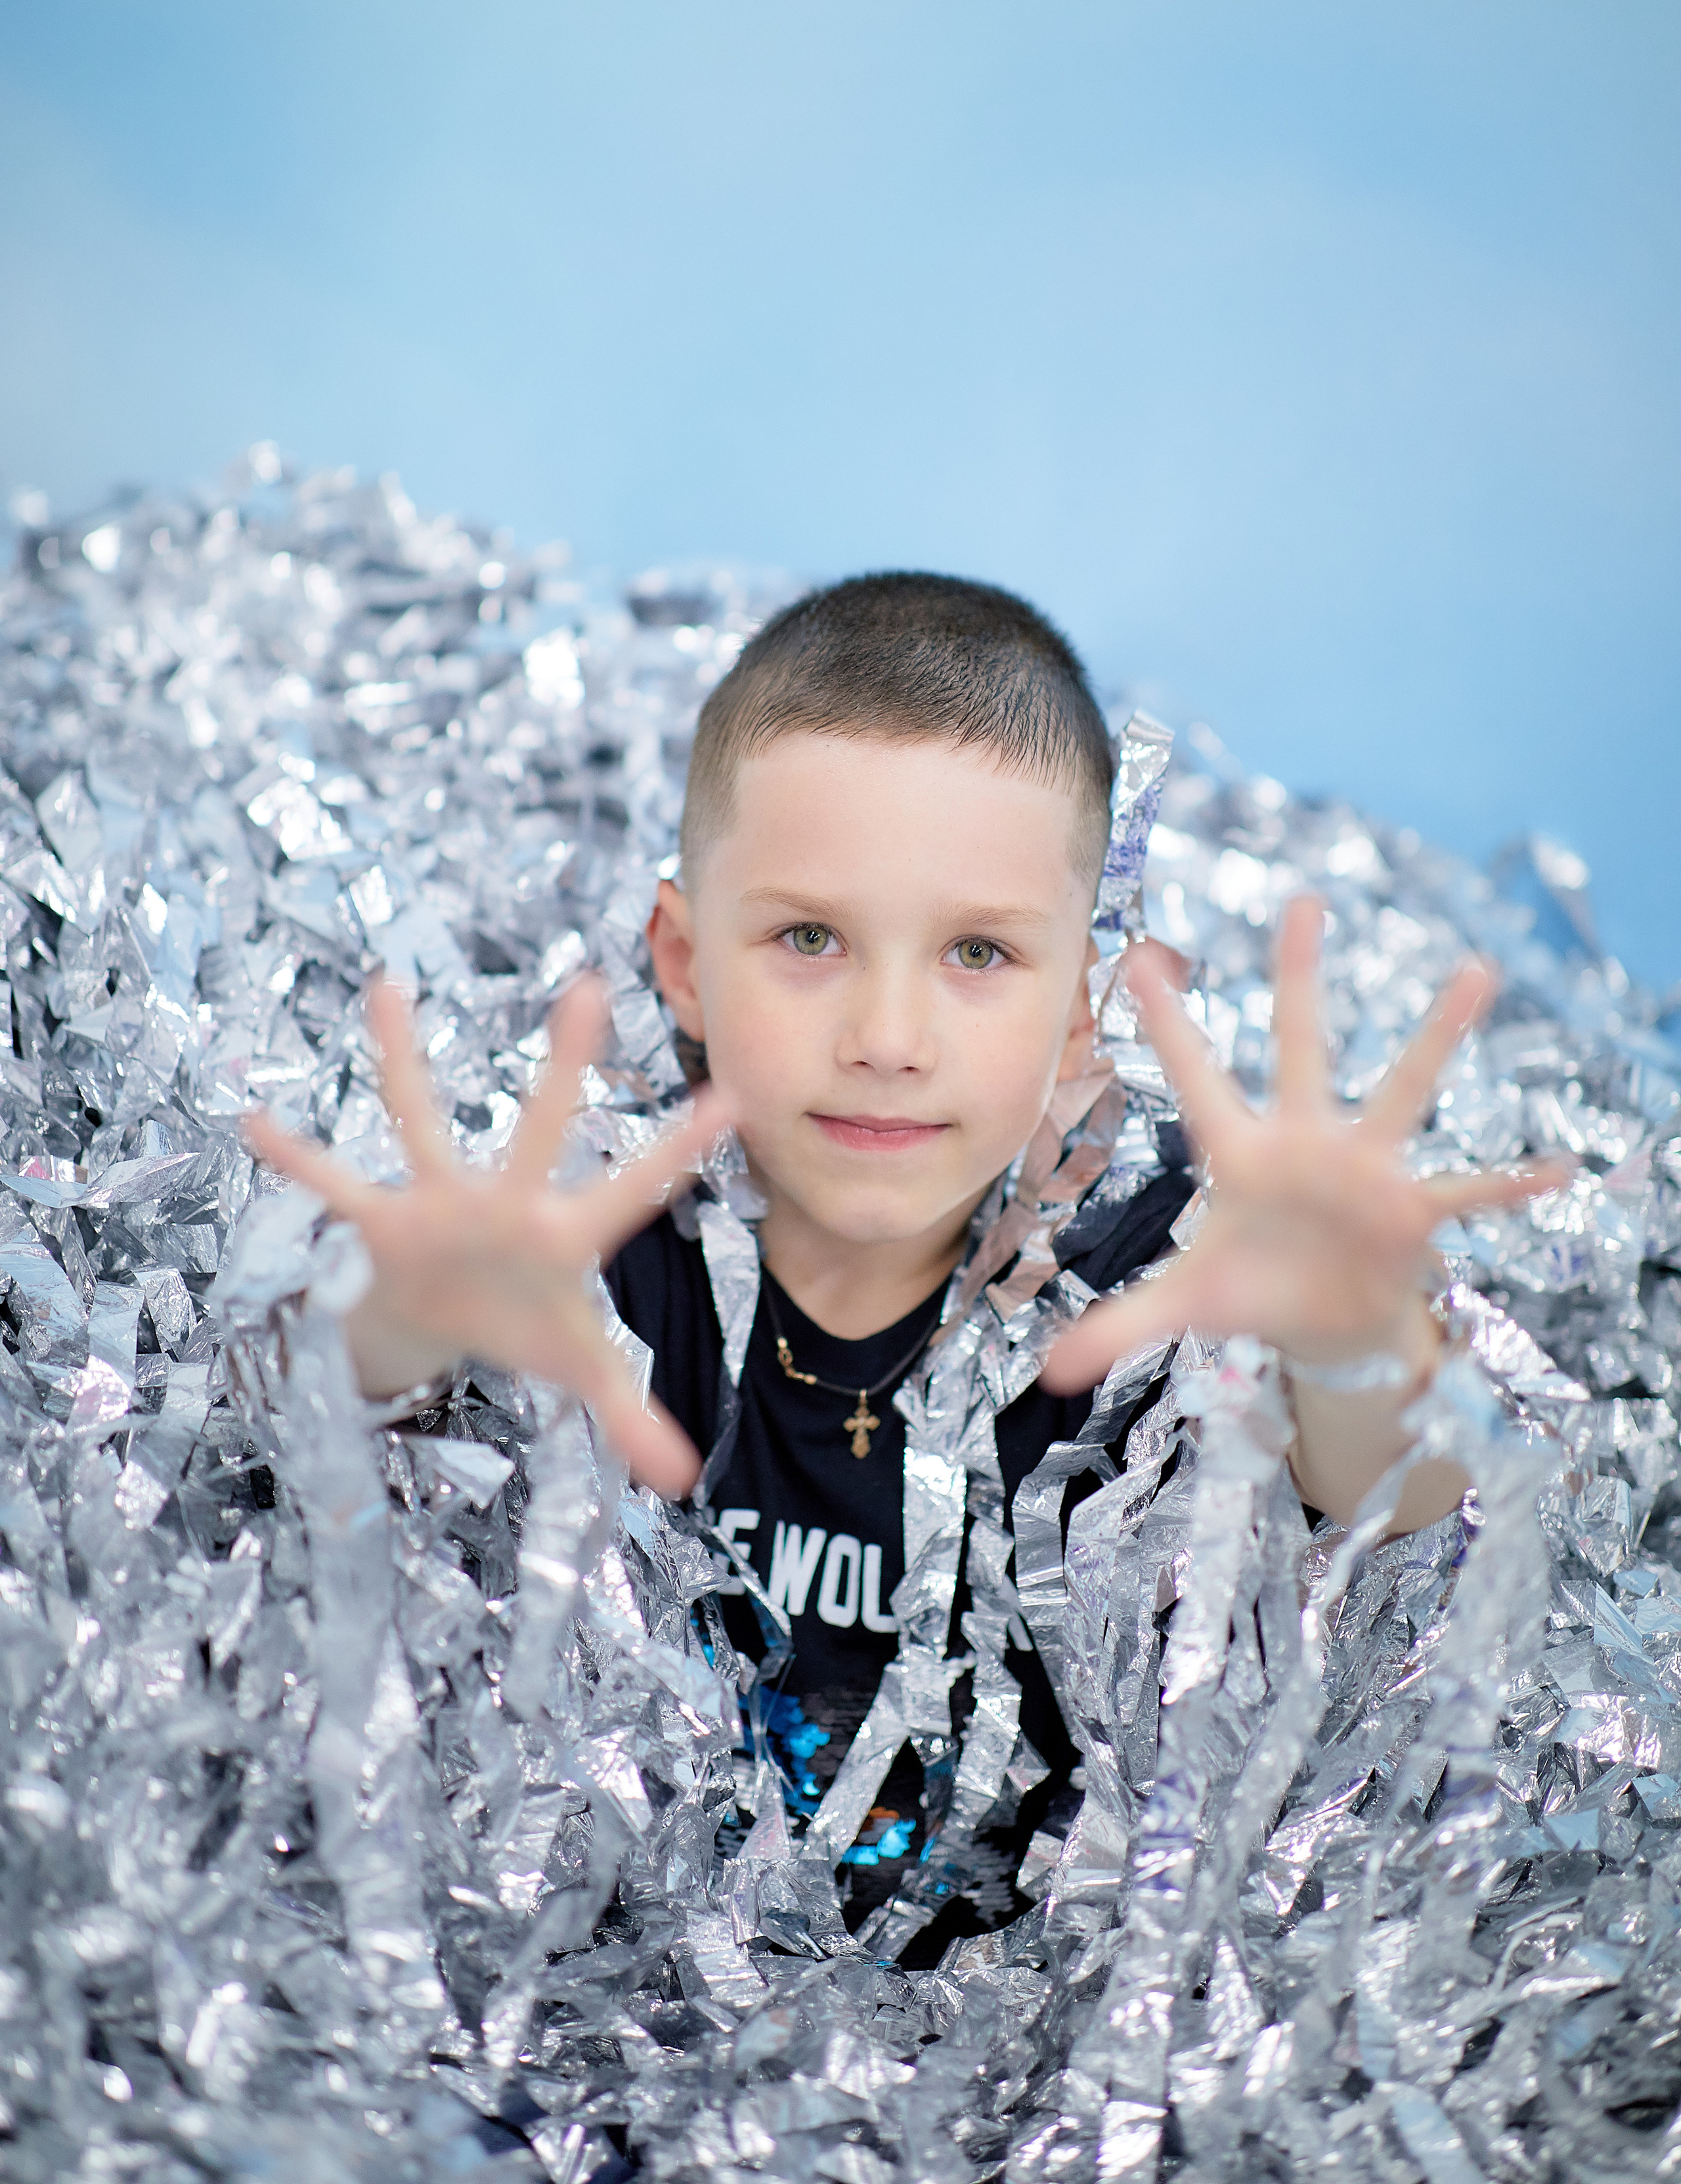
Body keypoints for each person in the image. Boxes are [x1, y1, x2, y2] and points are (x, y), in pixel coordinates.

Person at [245, 574, 1565, 1954]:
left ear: (1084, 1006)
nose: (887, 1036)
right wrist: (407, 1304)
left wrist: (1352, 1328)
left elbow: (1416, 1513)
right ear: (683, 963)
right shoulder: (588, 1245)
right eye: (809, 938)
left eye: (977, 952)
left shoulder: (1161, 1275)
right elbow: (317, 1398)